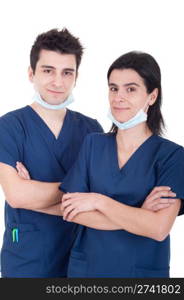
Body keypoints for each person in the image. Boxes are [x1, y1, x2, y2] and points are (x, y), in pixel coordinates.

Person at [60, 51, 184, 278]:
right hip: (87, 271)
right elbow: (70, 211)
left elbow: (158, 229)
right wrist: (139, 216)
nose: (118, 97)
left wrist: (98, 201)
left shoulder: (172, 156)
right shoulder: (93, 144)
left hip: (141, 275)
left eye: (131, 89)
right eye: (113, 88)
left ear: (152, 96)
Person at [0, 28, 104, 278]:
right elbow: (16, 195)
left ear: (76, 77)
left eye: (67, 72)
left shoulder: (92, 130)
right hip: (27, 261)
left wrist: (35, 192)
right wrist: (80, 193)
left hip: (82, 259)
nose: (58, 82)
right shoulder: (9, 126)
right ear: (31, 73)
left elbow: (104, 200)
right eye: (48, 71)